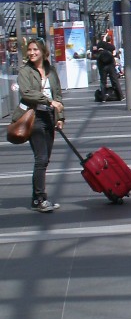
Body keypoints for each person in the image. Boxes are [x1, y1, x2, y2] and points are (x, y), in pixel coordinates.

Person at [18, 38, 64, 213]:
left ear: (43, 52)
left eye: (35, 50)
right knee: (41, 158)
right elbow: (28, 93)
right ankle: (39, 198)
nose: (31, 53)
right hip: (33, 117)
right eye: (29, 50)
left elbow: (58, 94)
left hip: (49, 117)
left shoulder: (51, 71)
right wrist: (49, 101)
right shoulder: (25, 71)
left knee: (45, 159)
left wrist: (60, 117)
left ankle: (37, 198)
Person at [91, 34, 123, 99]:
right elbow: (113, 49)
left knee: (103, 81)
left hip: (102, 65)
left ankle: (103, 97)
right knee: (114, 80)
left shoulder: (96, 46)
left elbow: (93, 55)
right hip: (110, 64)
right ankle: (120, 96)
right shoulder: (107, 45)